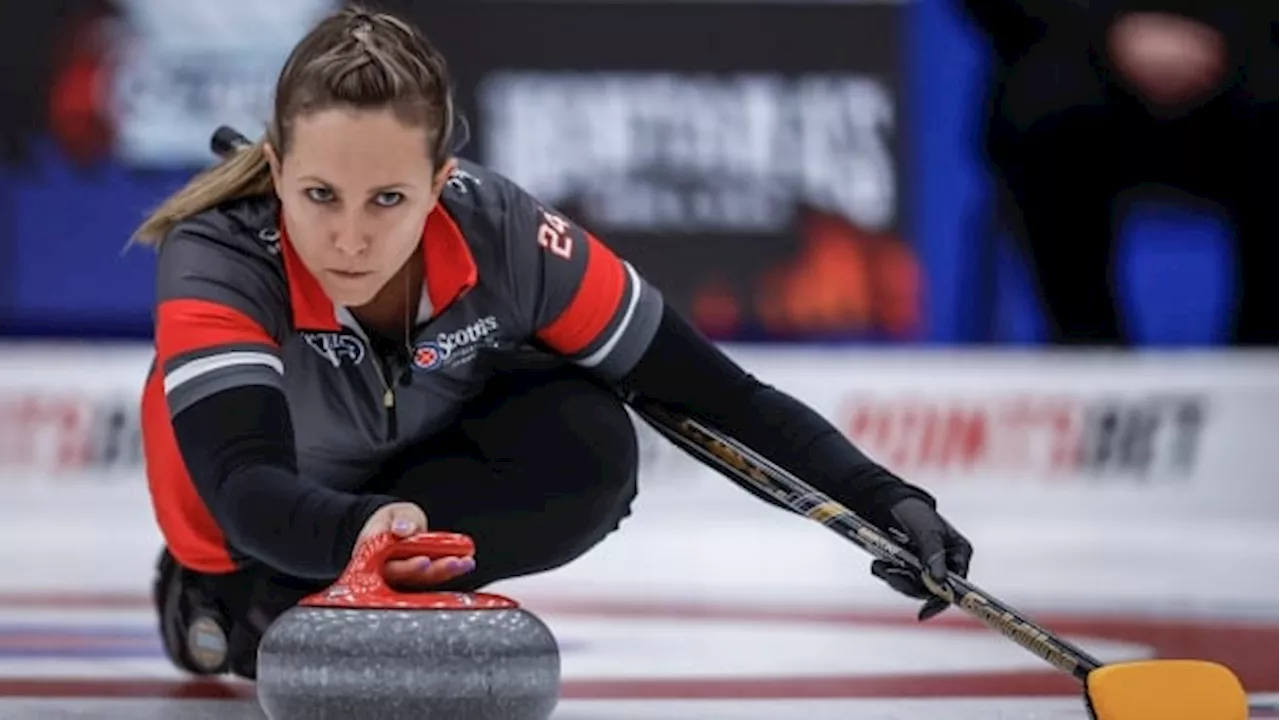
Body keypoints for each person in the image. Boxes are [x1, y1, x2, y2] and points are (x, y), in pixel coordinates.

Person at [135, 6, 973, 680]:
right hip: (249, 529)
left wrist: (885, 500)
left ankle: (368, 600)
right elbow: (245, 486)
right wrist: (362, 534)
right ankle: (232, 603)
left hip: (397, 503)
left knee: (588, 438)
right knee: (248, 569)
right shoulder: (219, 251)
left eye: (387, 198)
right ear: (275, 171)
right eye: (320, 194)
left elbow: (716, 396)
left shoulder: (508, 237)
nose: (349, 238)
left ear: (439, 183)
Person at [962, 0, 1280, 344]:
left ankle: (1265, 358)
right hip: (1077, 57)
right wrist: (1107, 31)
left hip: (1248, 61)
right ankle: (1088, 349)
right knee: (1041, 102)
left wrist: (1228, 35)